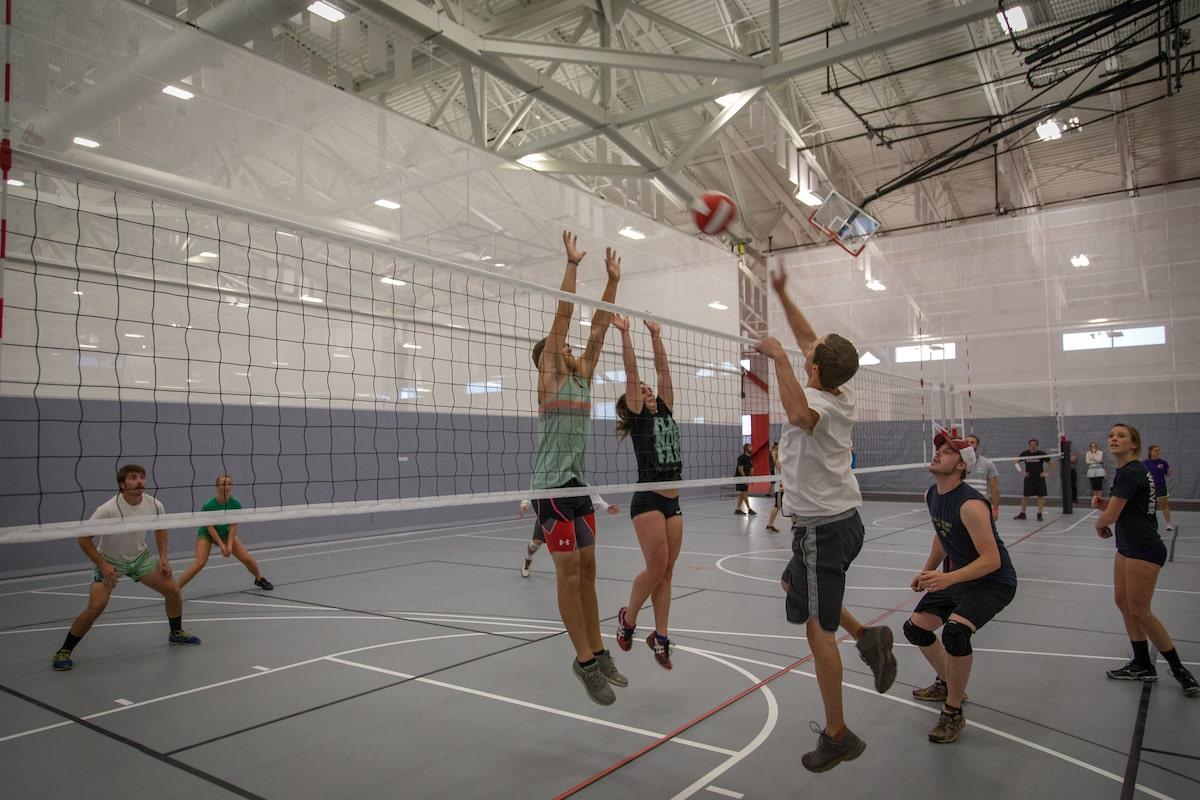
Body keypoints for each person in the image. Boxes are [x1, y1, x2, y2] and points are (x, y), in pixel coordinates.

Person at [755, 263, 896, 773]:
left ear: (813, 369)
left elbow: (797, 415)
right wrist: (783, 292)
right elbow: (808, 336)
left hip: (823, 528)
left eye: (807, 355)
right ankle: (869, 637)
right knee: (794, 583)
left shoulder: (816, 403)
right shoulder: (841, 386)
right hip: (840, 522)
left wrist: (776, 360)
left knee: (817, 628)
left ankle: (837, 734)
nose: (803, 348)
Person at [529, 230, 626, 705]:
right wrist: (571, 265)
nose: (570, 349)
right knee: (567, 574)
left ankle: (599, 650)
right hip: (549, 487)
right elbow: (565, 317)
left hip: (578, 486)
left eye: (569, 348)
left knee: (588, 570)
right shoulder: (550, 379)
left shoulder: (583, 378)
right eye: (560, 347)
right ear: (549, 357)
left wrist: (612, 281)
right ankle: (583, 661)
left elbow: (599, 325)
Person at [905, 431, 1019, 743]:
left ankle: (953, 711)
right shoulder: (932, 494)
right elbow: (942, 537)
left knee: (955, 633)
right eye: (938, 449)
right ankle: (947, 681)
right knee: (916, 627)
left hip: (993, 583)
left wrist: (948, 578)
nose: (938, 453)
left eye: (947, 451)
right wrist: (928, 571)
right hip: (960, 578)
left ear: (961, 465)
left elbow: (992, 560)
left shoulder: (970, 504)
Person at [52, 464, 200, 671]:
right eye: (133, 477)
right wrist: (103, 566)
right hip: (110, 560)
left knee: (173, 591)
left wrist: (164, 558)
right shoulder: (107, 510)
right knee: (96, 607)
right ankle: (64, 651)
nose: (139, 481)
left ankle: (176, 633)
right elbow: (84, 539)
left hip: (141, 558)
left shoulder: (155, 505)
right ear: (122, 484)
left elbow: (160, 530)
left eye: (142, 477)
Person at [1094, 424, 1197, 696]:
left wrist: (1100, 522)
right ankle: (1141, 664)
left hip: (1144, 548)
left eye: (1121, 436)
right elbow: (1125, 509)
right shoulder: (1131, 471)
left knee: (1140, 609)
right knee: (1124, 603)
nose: (1114, 439)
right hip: (1127, 545)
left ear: (1133, 444)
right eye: (1111, 435)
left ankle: (1180, 671)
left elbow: (1111, 517)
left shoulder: (1131, 471)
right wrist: (1105, 508)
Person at [611, 314, 685, 669]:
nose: (648, 390)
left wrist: (656, 337)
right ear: (633, 403)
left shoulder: (665, 409)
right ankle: (628, 618)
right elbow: (632, 373)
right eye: (641, 392)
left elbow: (663, 372)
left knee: (667, 570)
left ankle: (661, 636)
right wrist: (625, 334)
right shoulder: (640, 418)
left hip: (674, 501)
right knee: (656, 564)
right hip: (648, 500)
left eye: (648, 389)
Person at [177, 474, 273, 591]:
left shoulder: (236, 505)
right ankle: (175, 589)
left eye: (229, 483)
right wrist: (222, 545)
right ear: (217, 486)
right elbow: (210, 527)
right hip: (207, 534)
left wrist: (229, 545)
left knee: (247, 558)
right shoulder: (208, 506)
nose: (226, 486)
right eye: (223, 484)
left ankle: (259, 579)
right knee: (199, 562)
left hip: (225, 533)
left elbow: (233, 526)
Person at [519, 494, 619, 578]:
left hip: (572, 513)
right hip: (550, 511)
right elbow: (536, 487)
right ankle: (528, 560)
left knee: (574, 545)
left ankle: (573, 572)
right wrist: (525, 504)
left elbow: (586, 488)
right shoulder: (547, 475)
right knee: (536, 543)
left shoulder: (574, 475)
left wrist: (605, 506)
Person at [963, 434, 1001, 521]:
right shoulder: (957, 463)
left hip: (981, 505)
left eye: (972, 442)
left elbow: (994, 487)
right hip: (961, 505)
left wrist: (995, 509)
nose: (969, 444)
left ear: (978, 445)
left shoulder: (988, 463)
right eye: (966, 442)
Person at [1013, 438, 1051, 521]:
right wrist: (1021, 471)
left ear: (1037, 445)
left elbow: (1051, 464)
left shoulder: (1042, 454)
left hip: (1039, 478)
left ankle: (1039, 514)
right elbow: (1015, 462)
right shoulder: (1025, 453)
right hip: (1029, 478)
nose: (1033, 446)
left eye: (1034, 444)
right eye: (1031, 444)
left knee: (1040, 496)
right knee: (1025, 496)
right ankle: (1022, 513)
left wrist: (1046, 472)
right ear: (1029, 445)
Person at [1142, 445, 1174, 532]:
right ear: (1150, 452)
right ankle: (1148, 524)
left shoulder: (1163, 462)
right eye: (1155, 451)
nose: (1158, 452)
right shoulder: (1144, 463)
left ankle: (1169, 524)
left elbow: (1167, 474)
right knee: (1149, 507)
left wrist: (1169, 472)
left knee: (1164, 505)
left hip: (1161, 486)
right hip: (1149, 487)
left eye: (1158, 451)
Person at [766, 442, 784, 533]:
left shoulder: (783, 456)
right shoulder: (778, 459)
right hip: (780, 485)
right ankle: (770, 524)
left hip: (786, 484)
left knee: (791, 504)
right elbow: (779, 467)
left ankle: (794, 524)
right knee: (777, 505)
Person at [734, 443, 755, 515]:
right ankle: (749, 509)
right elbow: (740, 469)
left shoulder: (750, 458)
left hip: (746, 478)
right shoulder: (741, 457)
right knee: (745, 493)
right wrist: (745, 479)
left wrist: (751, 478)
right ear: (746, 449)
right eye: (750, 447)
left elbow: (751, 469)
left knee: (742, 494)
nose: (751, 448)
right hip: (740, 478)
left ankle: (738, 509)